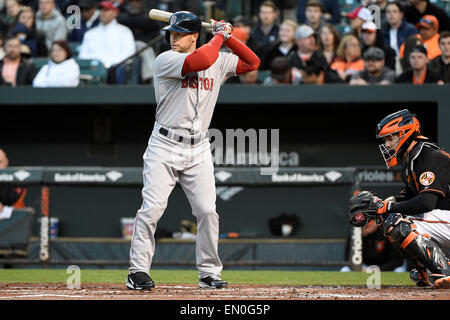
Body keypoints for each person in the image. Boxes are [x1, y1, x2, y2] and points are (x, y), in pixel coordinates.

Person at [126, 11, 260, 290]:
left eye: (179, 34)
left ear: (194, 36)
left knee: (208, 211)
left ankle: (209, 272)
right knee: (152, 209)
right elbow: (201, 60)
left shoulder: (219, 59)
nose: (173, 38)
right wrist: (221, 35)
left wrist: (230, 38)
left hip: (198, 148)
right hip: (164, 144)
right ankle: (137, 270)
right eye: (171, 33)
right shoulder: (167, 59)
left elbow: (252, 62)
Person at [349, 109, 450, 288]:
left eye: (390, 138)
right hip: (445, 219)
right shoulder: (412, 159)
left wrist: (386, 207)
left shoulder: (428, 156)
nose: (387, 144)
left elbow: (427, 202)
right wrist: (388, 202)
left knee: (395, 220)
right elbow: (411, 196)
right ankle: (426, 273)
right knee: (387, 219)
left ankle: (446, 270)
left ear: (405, 133)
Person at [78, 0, 135, 84]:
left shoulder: (124, 31)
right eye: (101, 10)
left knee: (119, 70)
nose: (103, 13)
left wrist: (109, 65)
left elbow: (129, 54)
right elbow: (83, 54)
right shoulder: (90, 33)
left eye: (107, 10)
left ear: (115, 13)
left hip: (114, 69)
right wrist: (95, 65)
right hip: (94, 70)